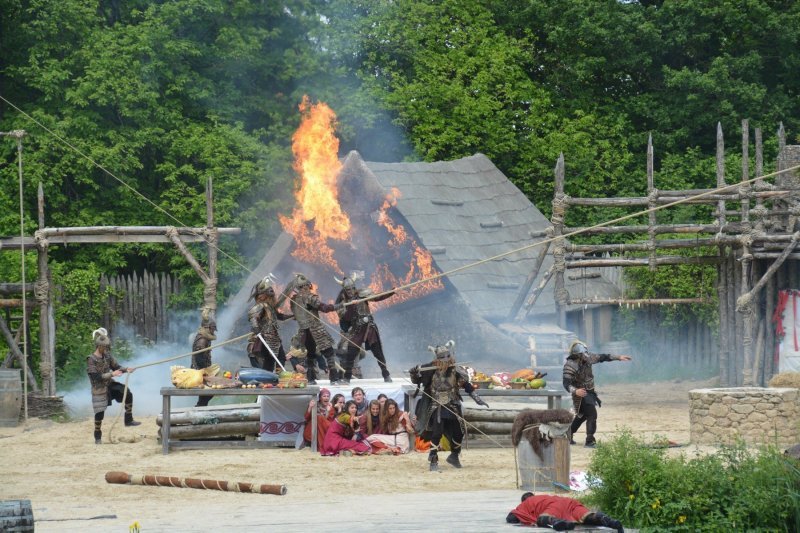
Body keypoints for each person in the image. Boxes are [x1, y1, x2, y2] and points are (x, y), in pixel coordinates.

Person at [409, 340, 488, 471]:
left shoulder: (455, 370)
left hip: (453, 404)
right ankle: (433, 458)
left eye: (447, 357)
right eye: (442, 357)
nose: (445, 360)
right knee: (437, 432)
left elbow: (466, 385)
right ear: (437, 358)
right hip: (436, 405)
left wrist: (477, 398)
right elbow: (418, 381)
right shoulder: (429, 370)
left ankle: (454, 455)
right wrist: (414, 373)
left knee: (459, 432)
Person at [563, 340, 632, 448]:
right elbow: (566, 383)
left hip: (590, 392)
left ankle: (568, 433)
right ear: (575, 355)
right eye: (581, 354)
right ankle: (590, 440)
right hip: (579, 394)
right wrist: (575, 391)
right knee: (591, 414)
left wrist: (618, 357)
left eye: (584, 353)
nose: (584, 356)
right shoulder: (570, 365)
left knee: (582, 415)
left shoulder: (589, 357)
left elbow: (603, 357)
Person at [335, 272, 395, 384]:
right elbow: (345, 319)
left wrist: (390, 292)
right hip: (356, 329)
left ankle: (386, 375)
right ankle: (347, 378)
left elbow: (377, 297)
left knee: (378, 353)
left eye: (352, 288)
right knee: (351, 354)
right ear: (344, 290)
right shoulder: (343, 303)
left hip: (369, 328)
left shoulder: (362, 294)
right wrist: (351, 305)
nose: (351, 291)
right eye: (348, 290)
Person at [86, 327, 140, 444]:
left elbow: (116, 367)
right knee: (99, 414)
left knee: (126, 392)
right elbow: (96, 377)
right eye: (105, 347)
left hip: (110, 385)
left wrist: (127, 369)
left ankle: (128, 420)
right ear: (99, 346)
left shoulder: (108, 356)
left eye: (107, 347)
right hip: (99, 388)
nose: (106, 349)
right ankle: (98, 436)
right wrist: (112, 374)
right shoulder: (91, 359)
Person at [288, 273, 342, 385]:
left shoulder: (294, 301)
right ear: (306, 286)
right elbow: (325, 308)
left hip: (304, 332)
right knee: (329, 353)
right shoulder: (310, 297)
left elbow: (296, 316)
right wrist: (340, 305)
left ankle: (311, 379)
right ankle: (334, 379)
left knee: (311, 355)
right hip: (315, 329)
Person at [506, 492, 624, 532]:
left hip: (553, 508)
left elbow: (511, 518)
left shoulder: (527, 502)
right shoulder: (546, 496)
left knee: (542, 519)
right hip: (569, 502)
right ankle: (607, 520)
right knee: (586, 516)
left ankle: (558, 522)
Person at [247, 274, 293, 372]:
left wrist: (293, 316)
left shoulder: (270, 307)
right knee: (270, 360)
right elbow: (252, 315)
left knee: (280, 358)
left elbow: (280, 316)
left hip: (274, 337)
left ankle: (276, 377)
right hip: (265, 337)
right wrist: (256, 329)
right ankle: (268, 378)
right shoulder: (261, 305)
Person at [191, 311, 217, 407]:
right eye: (212, 329)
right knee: (208, 391)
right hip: (199, 369)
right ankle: (200, 408)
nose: (213, 331)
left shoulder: (205, 338)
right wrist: (204, 371)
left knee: (207, 393)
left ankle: (201, 407)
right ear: (207, 327)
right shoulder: (202, 339)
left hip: (202, 368)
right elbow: (199, 356)